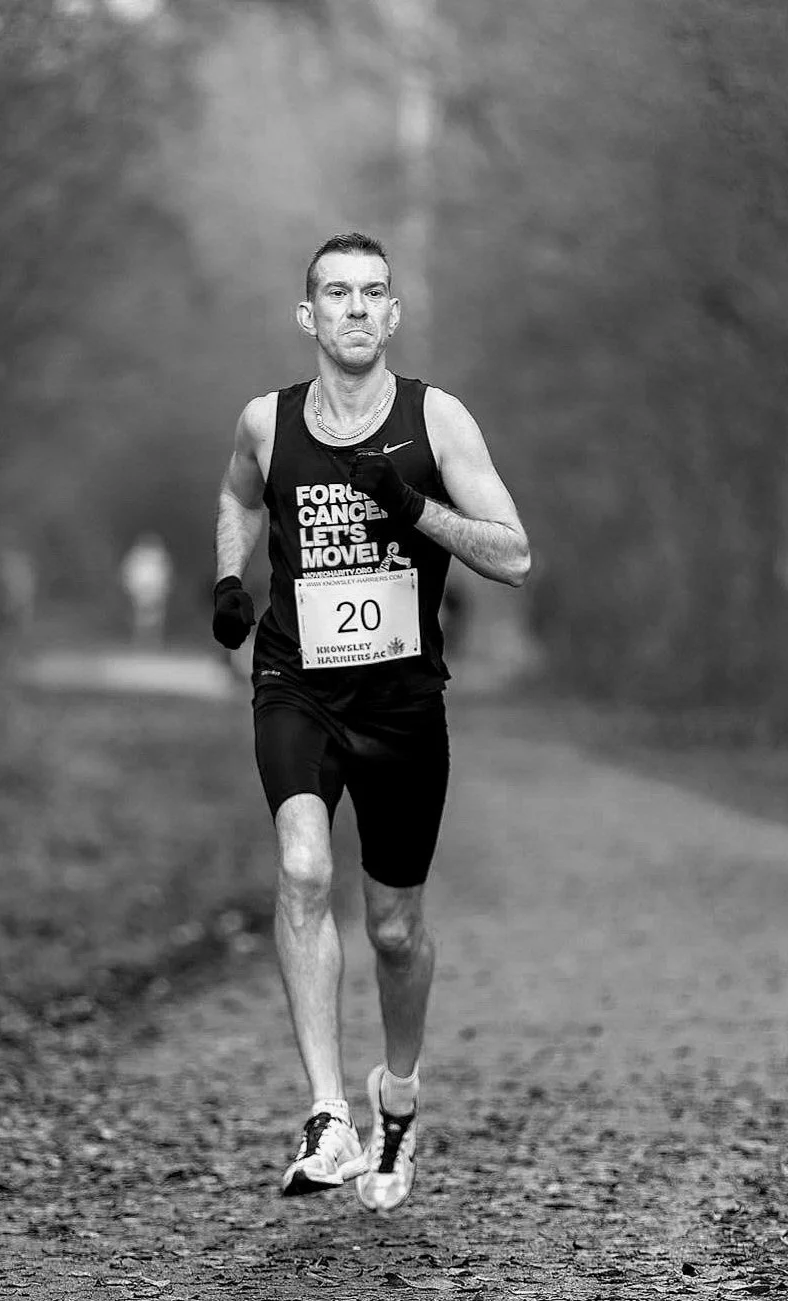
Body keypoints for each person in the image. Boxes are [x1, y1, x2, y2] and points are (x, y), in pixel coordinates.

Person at [212, 232, 530, 1212]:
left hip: (402, 706)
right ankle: (326, 1115)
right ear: (308, 316)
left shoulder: (439, 420)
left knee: (395, 930)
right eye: (337, 294)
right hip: (297, 685)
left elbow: (514, 554)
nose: (356, 309)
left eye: (373, 294)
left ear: (393, 315)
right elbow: (234, 497)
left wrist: (414, 504)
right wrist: (230, 578)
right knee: (304, 869)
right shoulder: (268, 421)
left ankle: (397, 1097)